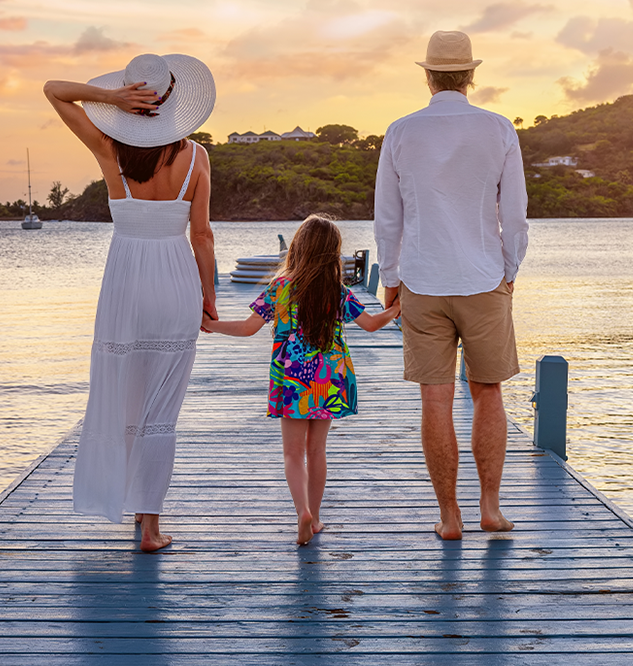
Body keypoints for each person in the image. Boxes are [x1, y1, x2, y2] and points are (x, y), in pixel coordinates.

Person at [44, 52, 219, 554]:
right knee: (161, 411)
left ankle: (130, 504)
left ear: (131, 100)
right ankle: (149, 524)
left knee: (125, 397)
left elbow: (54, 89)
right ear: (174, 104)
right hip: (175, 280)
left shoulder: (109, 148)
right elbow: (202, 236)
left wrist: (109, 98)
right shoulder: (196, 157)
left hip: (125, 282)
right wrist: (207, 298)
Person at [373, 29, 530, 539]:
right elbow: (515, 215)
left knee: (435, 399)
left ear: (428, 76)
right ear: (470, 76)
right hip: (484, 278)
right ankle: (491, 509)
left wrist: (391, 279)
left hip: (422, 279)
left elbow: (387, 218)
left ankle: (449, 517)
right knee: (488, 393)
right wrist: (509, 270)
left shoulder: (400, 131)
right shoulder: (499, 128)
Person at [203, 214, 400, 546]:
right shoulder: (337, 291)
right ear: (332, 253)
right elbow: (370, 324)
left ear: (297, 248)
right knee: (317, 450)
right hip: (329, 379)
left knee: (293, 453)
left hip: (292, 378)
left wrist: (211, 325)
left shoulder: (280, 288)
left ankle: (302, 511)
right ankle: (316, 517)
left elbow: (248, 328)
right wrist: (395, 309)